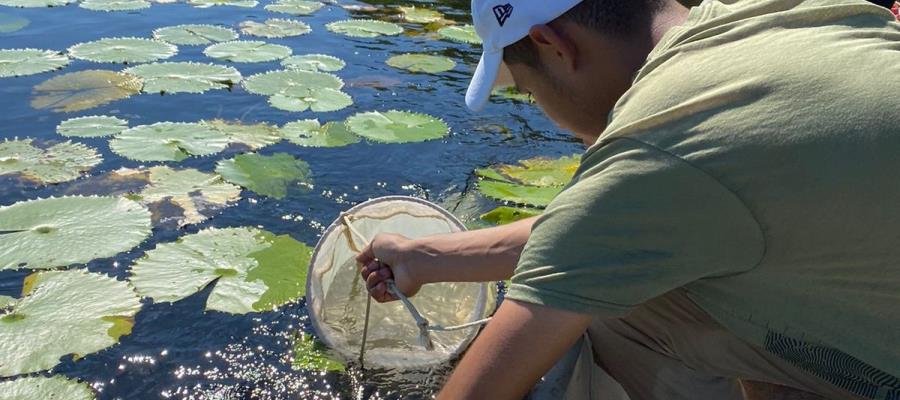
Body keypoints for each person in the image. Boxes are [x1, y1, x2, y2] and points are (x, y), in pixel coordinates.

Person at [357, 0, 900, 399]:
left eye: (527, 90)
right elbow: (600, 236)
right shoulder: (776, 16)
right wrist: (422, 258)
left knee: (620, 308)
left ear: (553, 44)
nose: (542, 110)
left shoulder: (664, 140)